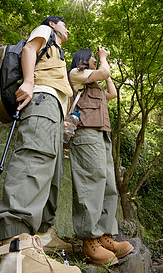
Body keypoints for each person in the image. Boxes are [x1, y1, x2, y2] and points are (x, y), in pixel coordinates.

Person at [0, 16, 81, 273]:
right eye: (65, 24)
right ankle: (16, 250)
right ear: (53, 24)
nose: (67, 29)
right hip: (40, 98)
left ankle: (34, 244)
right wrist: (28, 82)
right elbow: (30, 49)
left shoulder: (59, 51)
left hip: (52, 109)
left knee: (49, 172)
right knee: (34, 158)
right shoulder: (45, 31)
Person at [67, 48, 134, 267]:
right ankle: (89, 240)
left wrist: (107, 71)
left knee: (109, 185)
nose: (97, 60)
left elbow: (112, 93)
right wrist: (103, 62)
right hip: (86, 134)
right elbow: (101, 72)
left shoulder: (95, 82)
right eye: (93, 58)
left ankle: (105, 236)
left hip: (102, 135)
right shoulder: (77, 75)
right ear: (83, 60)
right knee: (91, 183)